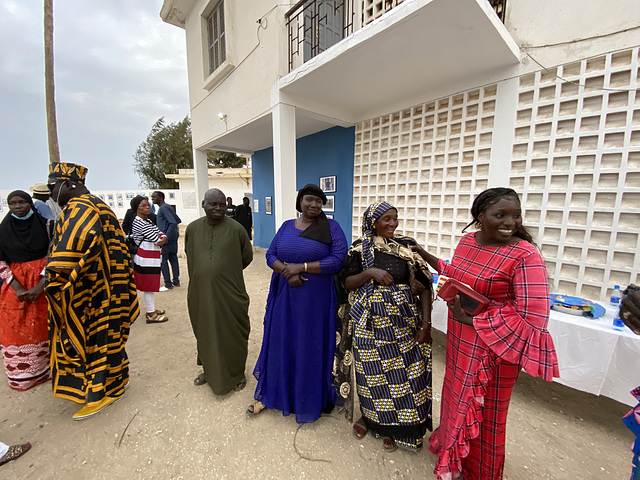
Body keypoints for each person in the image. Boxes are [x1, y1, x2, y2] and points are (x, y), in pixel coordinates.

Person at [413, 187, 559, 479]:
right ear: (480, 217)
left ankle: (479, 472)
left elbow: (533, 319)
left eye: (516, 215)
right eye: (500, 215)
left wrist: (474, 321)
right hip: (460, 343)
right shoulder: (468, 241)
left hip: (493, 353)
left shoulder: (525, 255)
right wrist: (422, 253)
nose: (511, 222)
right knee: (455, 399)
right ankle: (452, 459)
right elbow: (455, 274)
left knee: (487, 416)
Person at [46, 162, 140, 420]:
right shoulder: (100, 206)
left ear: (69, 184)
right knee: (110, 338)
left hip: (95, 293)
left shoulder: (80, 208)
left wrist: (51, 281)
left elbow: (71, 252)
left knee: (97, 341)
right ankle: (119, 380)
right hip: (114, 288)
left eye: (53, 186)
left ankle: (103, 393)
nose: (51, 192)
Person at [248, 184, 347, 423]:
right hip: (286, 296)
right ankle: (275, 395)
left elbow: (338, 260)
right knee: (282, 341)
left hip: (316, 301)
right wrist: (286, 271)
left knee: (310, 345)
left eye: (319, 202)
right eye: (309, 200)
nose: (314, 205)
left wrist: (301, 267)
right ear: (299, 202)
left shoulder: (331, 228)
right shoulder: (285, 226)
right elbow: (270, 255)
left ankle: (309, 399)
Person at [339, 201, 433, 452]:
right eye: (386, 219)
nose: (393, 224)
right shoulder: (360, 248)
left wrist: (426, 324)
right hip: (370, 326)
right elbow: (347, 283)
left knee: (408, 377)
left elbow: (424, 286)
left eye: (395, 218)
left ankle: (403, 429)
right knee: (373, 379)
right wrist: (370, 273)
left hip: (405, 325)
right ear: (373, 223)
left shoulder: (407, 247)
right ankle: (376, 423)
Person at [185, 188, 253, 394]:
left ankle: (236, 374)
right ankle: (209, 370)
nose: (218, 208)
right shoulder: (193, 229)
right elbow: (190, 254)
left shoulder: (237, 229)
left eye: (222, 204)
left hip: (230, 293)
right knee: (206, 332)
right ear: (203, 204)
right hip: (201, 292)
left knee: (233, 333)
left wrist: (224, 272)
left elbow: (246, 257)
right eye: (213, 204)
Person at [0, 191, 53, 390]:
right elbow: (1, 261)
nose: (18, 206)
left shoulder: (46, 228)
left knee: (45, 324)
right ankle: (24, 375)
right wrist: (19, 289)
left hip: (45, 283)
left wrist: (41, 285)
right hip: (15, 287)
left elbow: (54, 255)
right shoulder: (3, 230)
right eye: (12, 203)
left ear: (30, 204)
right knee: (16, 327)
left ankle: (51, 369)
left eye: (22, 202)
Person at [130, 195, 169, 323]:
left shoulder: (147, 220)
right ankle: (150, 313)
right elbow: (157, 239)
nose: (147, 207)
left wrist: (162, 237)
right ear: (136, 208)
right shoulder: (139, 222)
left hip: (151, 256)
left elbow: (159, 232)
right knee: (148, 286)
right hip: (145, 257)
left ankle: (151, 309)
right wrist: (161, 239)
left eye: (147, 205)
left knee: (151, 285)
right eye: (143, 205)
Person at [151, 191, 182, 291]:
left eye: (154, 197)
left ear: (161, 197)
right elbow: (177, 220)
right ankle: (176, 281)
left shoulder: (163, 208)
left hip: (167, 239)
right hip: (172, 238)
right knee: (173, 258)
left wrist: (165, 237)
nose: (152, 198)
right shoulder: (168, 207)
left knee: (163, 260)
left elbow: (173, 222)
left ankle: (168, 283)